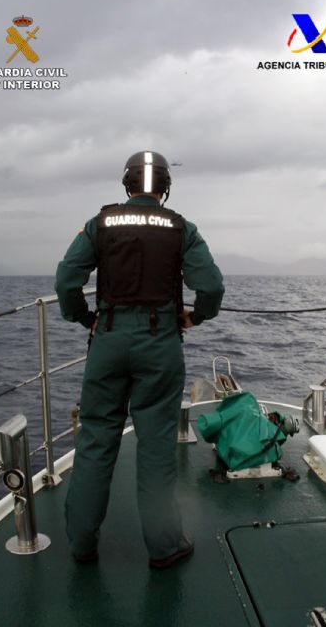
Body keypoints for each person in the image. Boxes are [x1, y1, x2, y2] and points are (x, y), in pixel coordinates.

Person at [55, 150, 224, 569]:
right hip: (159, 344)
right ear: (165, 186)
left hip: (109, 340)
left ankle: (81, 545)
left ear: (127, 184)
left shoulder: (101, 224)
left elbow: (65, 280)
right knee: (155, 449)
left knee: (95, 443)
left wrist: (85, 318)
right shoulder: (180, 227)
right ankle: (165, 548)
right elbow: (212, 287)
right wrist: (194, 316)